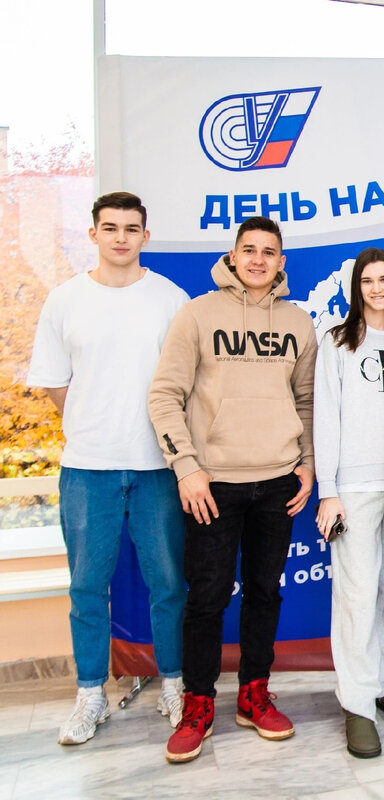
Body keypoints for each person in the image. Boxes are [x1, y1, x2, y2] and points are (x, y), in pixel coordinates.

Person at [147, 215, 318, 764]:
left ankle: (253, 694)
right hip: (213, 483)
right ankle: (197, 704)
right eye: (249, 249)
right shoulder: (198, 314)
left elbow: (307, 401)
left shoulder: (298, 322)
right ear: (233, 255)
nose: (258, 260)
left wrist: (308, 464)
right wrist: (186, 467)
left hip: (278, 481)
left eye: (269, 252)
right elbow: (164, 395)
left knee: (265, 593)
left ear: (281, 261)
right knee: (207, 598)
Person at [28, 192, 190, 745]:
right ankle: (90, 694)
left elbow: (186, 383)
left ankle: (175, 684)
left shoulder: (170, 299)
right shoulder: (65, 300)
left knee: (168, 583)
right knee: (87, 588)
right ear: (94, 233)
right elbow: (55, 383)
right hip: (88, 467)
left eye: (131, 228)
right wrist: (91, 423)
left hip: (157, 466)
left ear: (146, 235)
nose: (121, 237)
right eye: (111, 227)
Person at [314, 247, 384, 758]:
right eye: (367, 281)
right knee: (357, 594)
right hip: (353, 487)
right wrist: (328, 490)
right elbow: (326, 417)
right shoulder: (337, 342)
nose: (377, 288)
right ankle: (358, 703)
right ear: (355, 288)